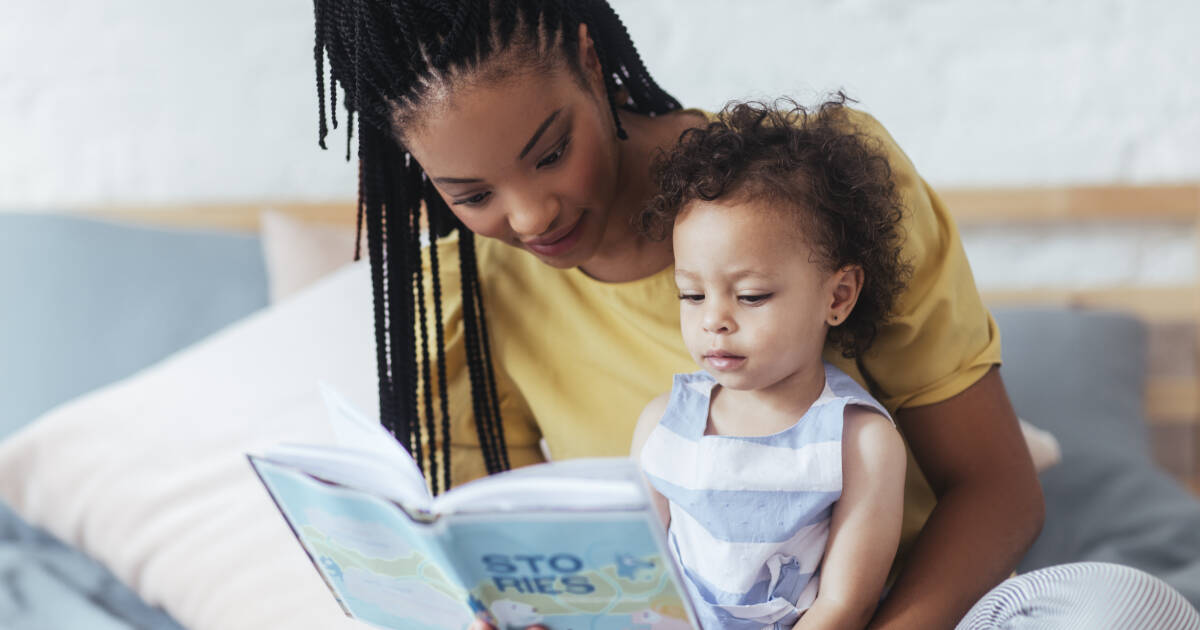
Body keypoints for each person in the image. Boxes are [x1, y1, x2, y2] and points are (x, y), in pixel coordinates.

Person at [309, 1, 1200, 628]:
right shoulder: (462, 305)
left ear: (589, 62)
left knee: (1125, 610)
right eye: (469, 193)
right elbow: (503, 571)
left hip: (925, 614)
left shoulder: (819, 189)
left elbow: (998, 489)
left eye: (551, 152)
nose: (532, 215)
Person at [629, 98, 908, 630]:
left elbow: (845, 604)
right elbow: (639, 581)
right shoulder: (663, 424)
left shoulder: (860, 442)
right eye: (691, 295)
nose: (715, 320)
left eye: (752, 296)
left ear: (838, 296)